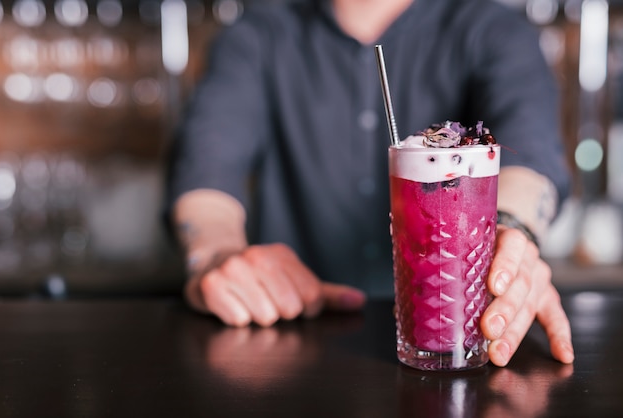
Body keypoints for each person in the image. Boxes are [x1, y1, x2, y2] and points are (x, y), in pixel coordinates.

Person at [165, 0, 575, 367]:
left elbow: (531, 154)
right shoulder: (256, 34)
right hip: (293, 346)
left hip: (460, 336)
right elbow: (207, 166)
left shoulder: (493, 28)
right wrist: (217, 254)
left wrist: (510, 241)